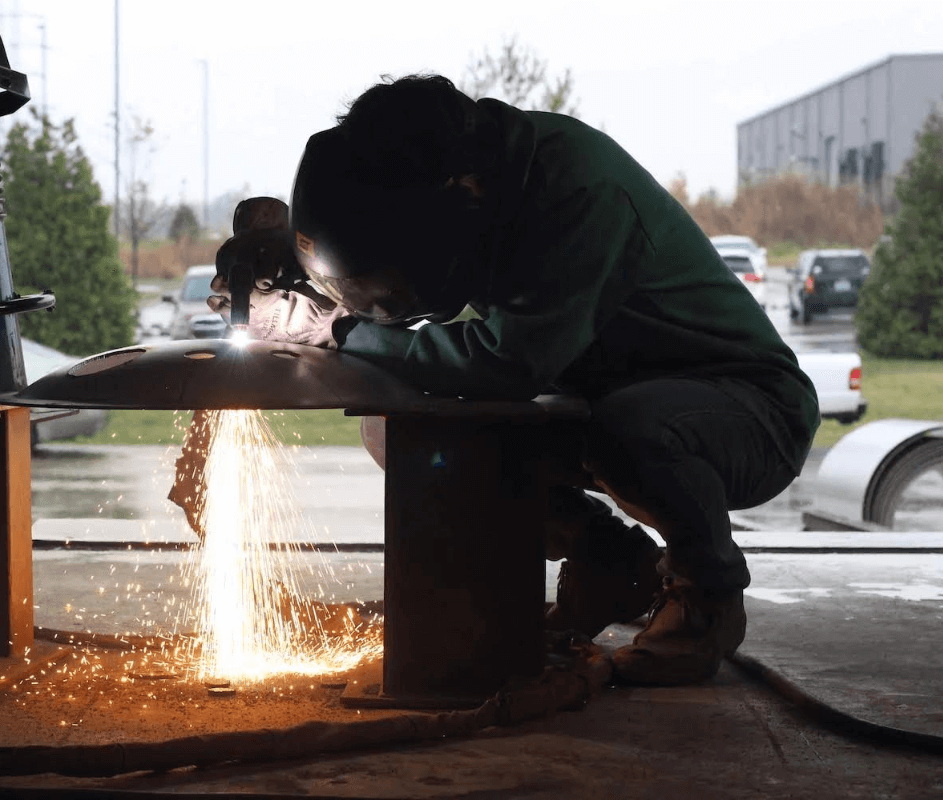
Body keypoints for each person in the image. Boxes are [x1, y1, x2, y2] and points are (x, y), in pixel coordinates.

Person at [203, 74, 820, 685]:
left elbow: (505, 364)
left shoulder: (576, 193)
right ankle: (607, 559)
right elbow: (389, 223)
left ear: (458, 198)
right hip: (594, 400)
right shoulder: (461, 179)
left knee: (632, 428)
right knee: (398, 429)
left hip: (747, 411)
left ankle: (705, 598)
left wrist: (342, 330)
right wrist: (299, 261)